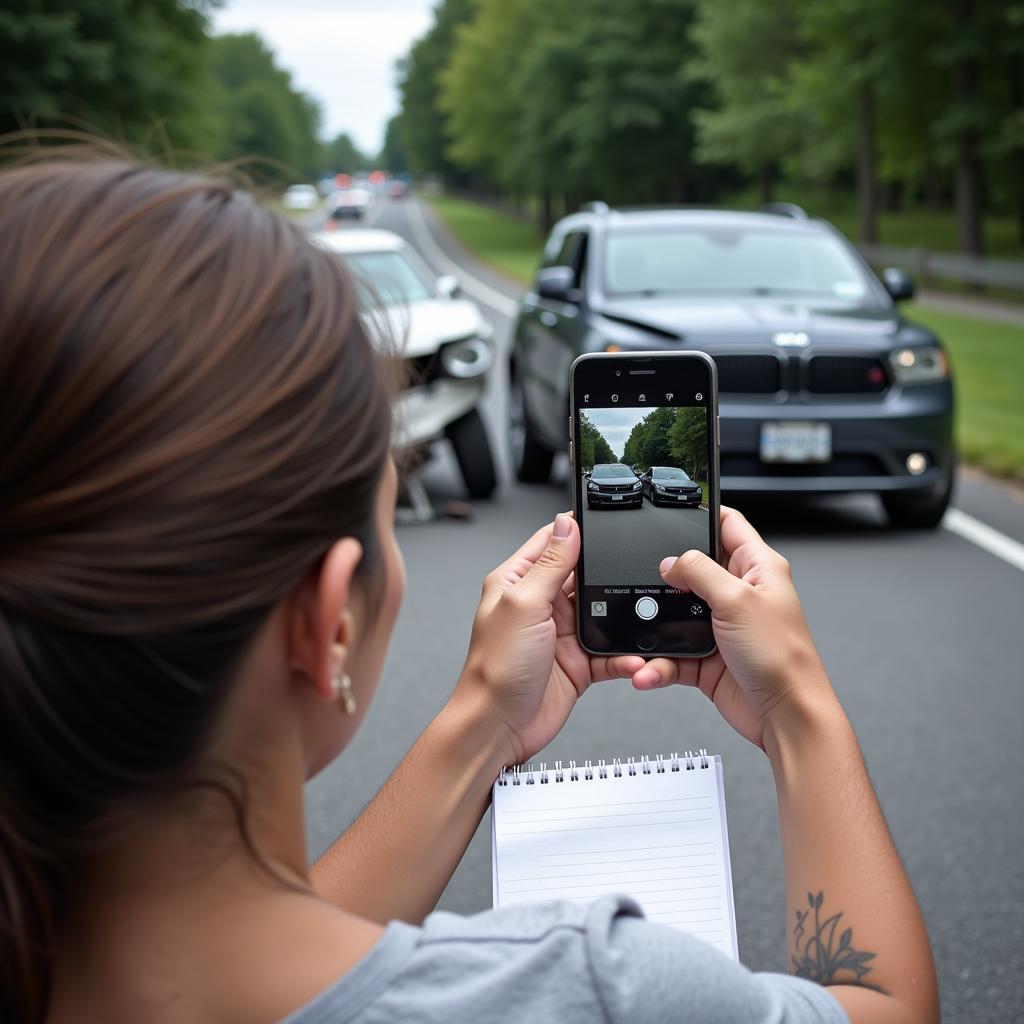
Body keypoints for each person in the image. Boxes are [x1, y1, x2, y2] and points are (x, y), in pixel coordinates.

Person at [0, 159, 938, 1024]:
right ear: (328, 622)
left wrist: (489, 719)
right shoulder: (587, 989)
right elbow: (889, 1006)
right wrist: (797, 708)